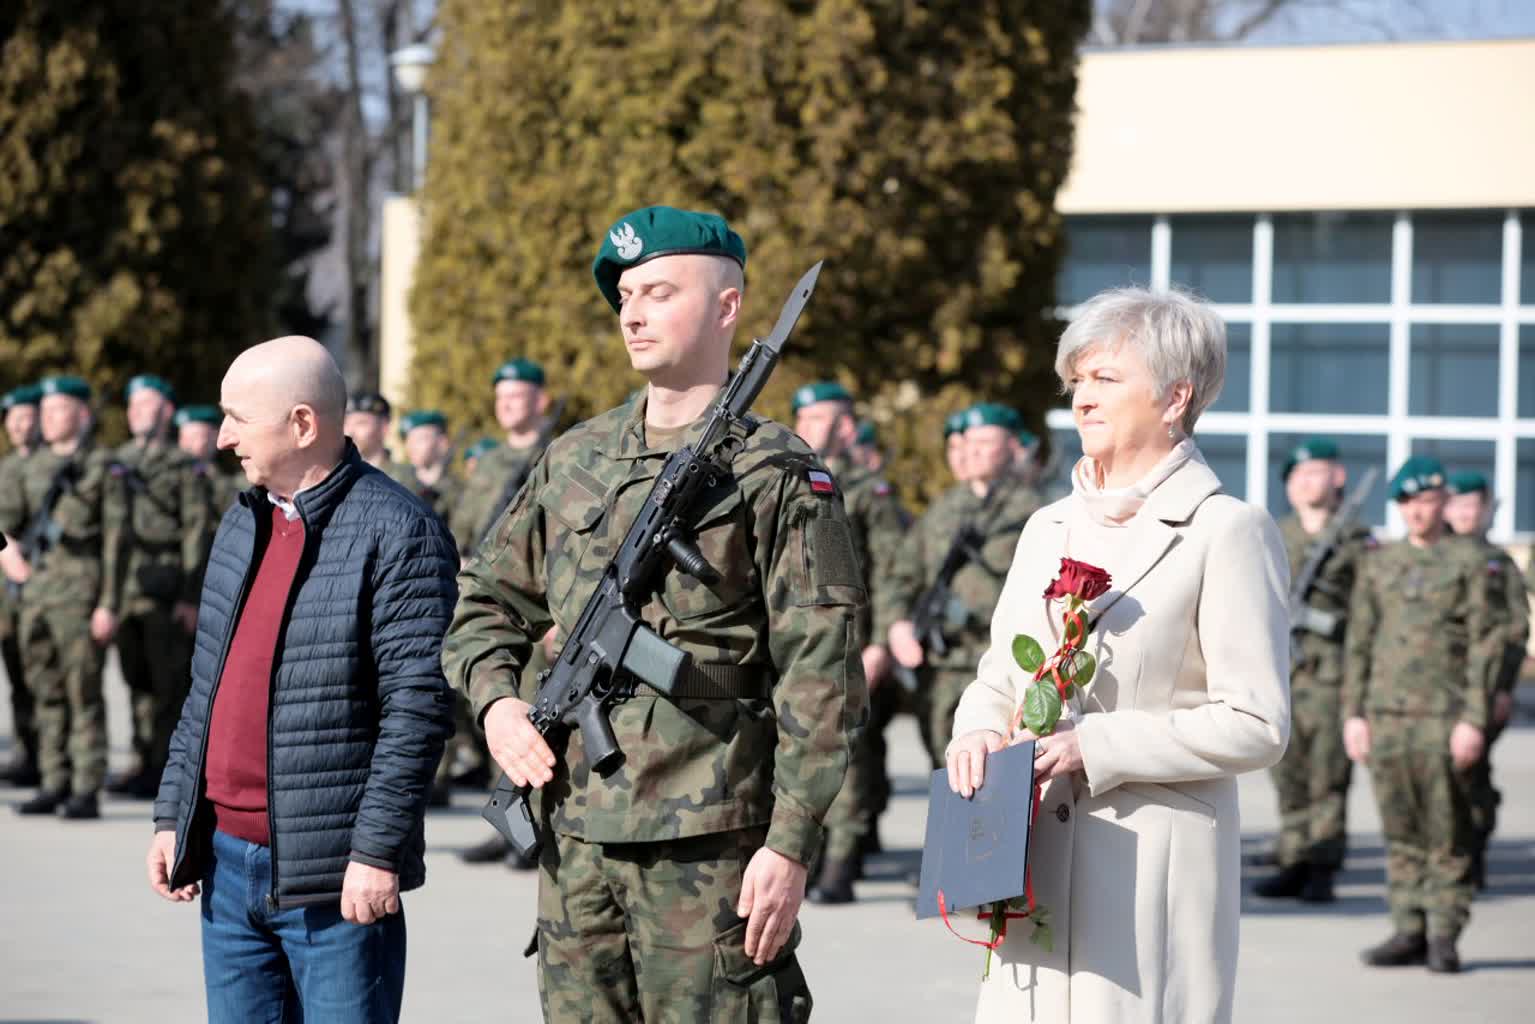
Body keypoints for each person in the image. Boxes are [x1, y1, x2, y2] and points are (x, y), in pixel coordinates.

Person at [442, 205, 866, 1022]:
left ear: (727, 306)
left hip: (710, 847)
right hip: (575, 841)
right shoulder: (575, 457)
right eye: (626, 296)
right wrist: (496, 706)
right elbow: (483, 602)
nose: (632, 313)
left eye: (659, 292)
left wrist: (790, 841)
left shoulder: (777, 471)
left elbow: (822, 675)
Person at [946, 286, 1290, 1022]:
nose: (1082, 398)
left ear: (1175, 398)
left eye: (1105, 378)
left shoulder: (1226, 530)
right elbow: (999, 677)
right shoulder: (1046, 526)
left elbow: (1258, 723)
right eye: (1076, 380)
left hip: (1148, 876)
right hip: (1025, 861)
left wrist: (1095, 745)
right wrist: (974, 730)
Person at [145, 336, 456, 1022]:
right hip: (227, 872)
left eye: (238, 417)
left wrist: (376, 851)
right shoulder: (243, 520)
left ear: (303, 423)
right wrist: (174, 815)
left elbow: (418, 709)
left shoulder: (398, 530)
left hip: (334, 884)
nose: (223, 437)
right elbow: (206, 688)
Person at [1344, 457, 1506, 974]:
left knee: (1447, 830)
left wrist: (1473, 720)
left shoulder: (1470, 562)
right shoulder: (1379, 563)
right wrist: (1354, 714)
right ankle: (1408, 927)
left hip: (1444, 717)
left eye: (1428, 500)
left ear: (1443, 502)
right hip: (1386, 716)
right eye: (1408, 502)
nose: (1418, 511)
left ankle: (1444, 932)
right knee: (1400, 828)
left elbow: (1486, 644)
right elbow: (1360, 641)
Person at [791, 380, 906, 905]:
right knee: (793, 748)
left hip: (846, 641)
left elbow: (890, 569)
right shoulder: (780, 481)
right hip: (790, 641)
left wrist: (881, 641)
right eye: (810, 418)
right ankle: (806, 854)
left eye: (830, 418)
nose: (820, 428)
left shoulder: (866, 490)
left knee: (847, 752)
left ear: (849, 427)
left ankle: (841, 859)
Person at [890, 402, 1042, 771]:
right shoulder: (942, 510)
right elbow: (902, 575)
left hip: (1003, 667)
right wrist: (898, 625)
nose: (972, 452)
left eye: (985, 442)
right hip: (943, 666)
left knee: (1000, 774)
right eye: (968, 442)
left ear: (1013, 446)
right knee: (945, 770)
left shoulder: (1036, 513)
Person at [1254, 438, 1373, 903]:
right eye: (1296, 476)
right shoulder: (1273, 534)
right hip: (1280, 672)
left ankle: (1322, 865)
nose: (1304, 483)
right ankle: (1293, 858)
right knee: (1286, 773)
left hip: (1329, 676)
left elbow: (1368, 612)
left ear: (1337, 477)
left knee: (1327, 776)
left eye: (1314, 472)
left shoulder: (1356, 541)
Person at [1, 376, 124, 820]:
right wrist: (8, 555)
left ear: (82, 415)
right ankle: (53, 781)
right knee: (44, 693)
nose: (48, 419)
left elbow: (115, 541)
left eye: (58, 410)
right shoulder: (27, 467)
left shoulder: (102, 466)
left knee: (82, 694)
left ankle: (85, 786)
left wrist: (108, 603)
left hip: (81, 597)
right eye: (45, 411)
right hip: (35, 597)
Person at [106, 374, 213, 799]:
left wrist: (190, 596)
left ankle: (165, 770)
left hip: (168, 586)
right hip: (127, 586)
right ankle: (142, 759)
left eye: (146, 404)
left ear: (167, 411)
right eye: (132, 405)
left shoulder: (182, 465)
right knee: (135, 679)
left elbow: (195, 531)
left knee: (168, 684)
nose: (136, 412)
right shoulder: (117, 461)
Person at [1442, 471, 1528, 890]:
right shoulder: (1430, 556)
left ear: (1486, 509)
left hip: (1483, 690)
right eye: (1457, 504)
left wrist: (1504, 689)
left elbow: (1515, 632)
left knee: (1470, 774)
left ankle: (1472, 848)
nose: (1465, 513)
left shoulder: (1498, 564)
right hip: (1434, 691)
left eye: (1473, 505)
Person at [450, 357, 552, 559]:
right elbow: (462, 524)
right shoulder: (488, 461)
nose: (504, 405)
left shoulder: (556, 456)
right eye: (500, 397)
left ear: (540, 401)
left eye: (514, 396)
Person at [0, 384, 42, 787]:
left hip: (44, 584)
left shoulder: (53, 465)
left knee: (43, 677)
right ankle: (27, 753)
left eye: (26, 417)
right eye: (13, 420)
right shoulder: (6, 468)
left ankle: (51, 759)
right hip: (8, 593)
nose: (18, 426)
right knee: (16, 676)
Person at [176, 403, 243, 515]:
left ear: (214, 437)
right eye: (184, 438)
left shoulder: (232, 476)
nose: (187, 445)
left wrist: (212, 474)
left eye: (195, 437)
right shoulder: (170, 472)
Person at [344, 390, 414, 485]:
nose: (350, 432)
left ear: (384, 428)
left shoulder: (405, 478)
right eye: (346, 423)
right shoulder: (337, 476)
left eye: (361, 423)